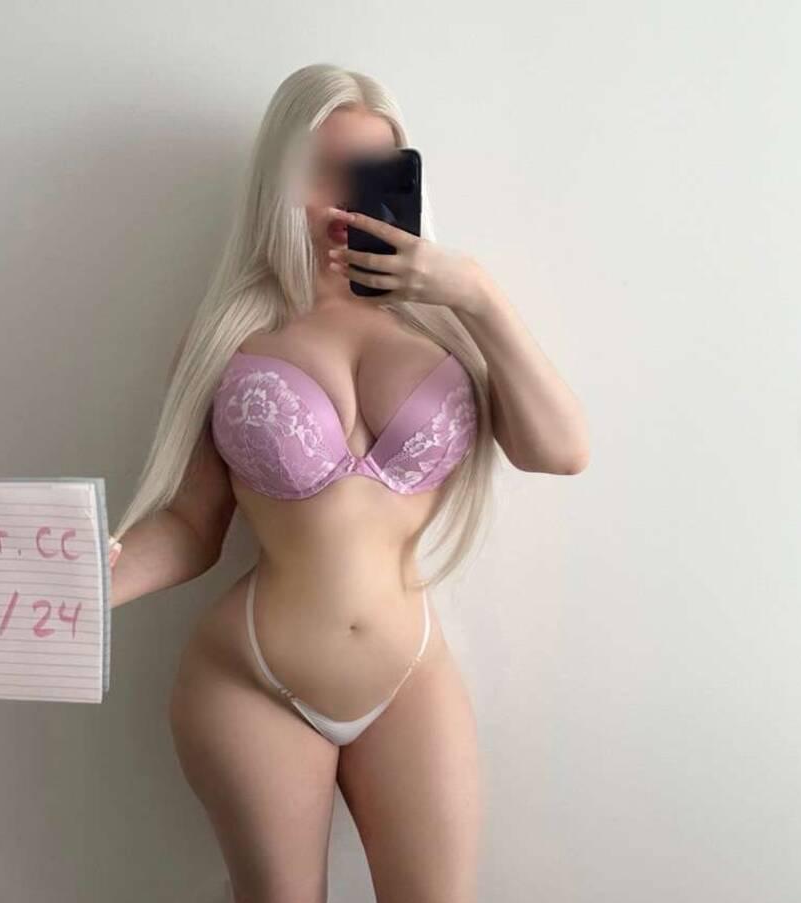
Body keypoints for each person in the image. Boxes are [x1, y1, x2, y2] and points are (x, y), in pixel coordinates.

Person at [107, 63, 589, 903]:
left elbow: (560, 449)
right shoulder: (230, 332)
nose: (346, 197)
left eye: (373, 170)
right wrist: (87, 582)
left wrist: (476, 293)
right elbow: (190, 524)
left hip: (409, 676)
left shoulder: (447, 329)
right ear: (279, 179)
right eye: (324, 169)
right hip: (251, 679)